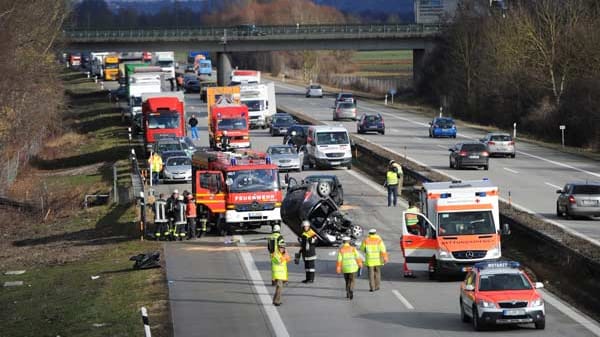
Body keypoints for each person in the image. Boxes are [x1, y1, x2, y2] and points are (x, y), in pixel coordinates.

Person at [271, 241, 291, 306]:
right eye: (281, 247)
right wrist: (285, 256)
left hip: (282, 274)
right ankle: (277, 301)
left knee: (278, 288)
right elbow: (279, 261)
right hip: (277, 274)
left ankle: (275, 300)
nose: (282, 249)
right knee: (279, 287)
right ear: (278, 247)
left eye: (283, 248)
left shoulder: (283, 253)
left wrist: (286, 254)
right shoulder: (275, 254)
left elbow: (288, 259)